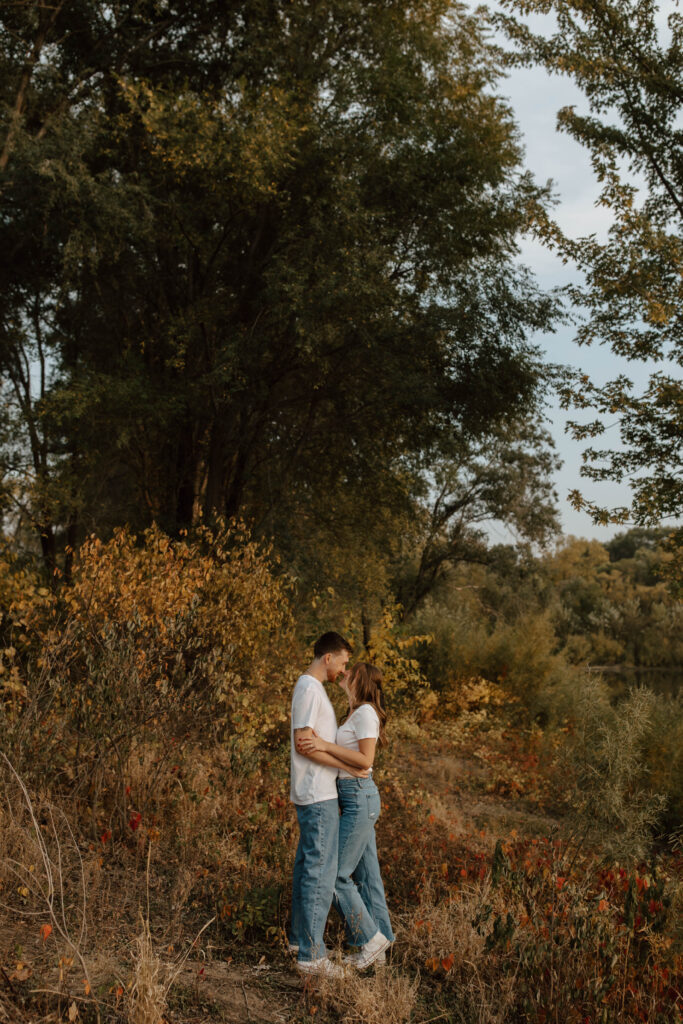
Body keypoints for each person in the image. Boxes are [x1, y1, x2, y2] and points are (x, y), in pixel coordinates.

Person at [297, 661, 394, 970]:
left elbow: (366, 759)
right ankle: (383, 942)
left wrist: (323, 744)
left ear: (360, 680)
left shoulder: (365, 713)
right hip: (355, 796)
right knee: (368, 875)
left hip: (360, 798)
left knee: (336, 875)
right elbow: (358, 764)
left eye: (350, 672)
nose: (344, 673)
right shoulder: (354, 712)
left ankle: (370, 941)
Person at [289, 630, 367, 978]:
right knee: (319, 873)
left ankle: (298, 942)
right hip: (317, 793)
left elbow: (313, 742)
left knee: (309, 867)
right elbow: (304, 742)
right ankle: (312, 957)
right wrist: (347, 765)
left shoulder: (314, 689)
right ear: (328, 658)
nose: (343, 671)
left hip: (318, 791)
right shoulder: (308, 688)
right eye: (343, 663)